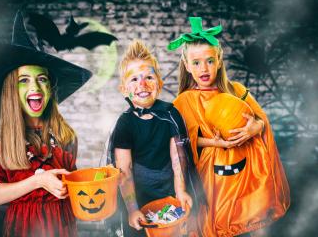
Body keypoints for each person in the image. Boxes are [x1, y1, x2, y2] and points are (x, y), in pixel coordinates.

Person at [169, 17, 290, 237]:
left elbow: (260, 119)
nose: (204, 68)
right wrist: (214, 142)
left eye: (209, 61)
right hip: (213, 180)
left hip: (246, 173)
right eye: (196, 63)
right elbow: (180, 141)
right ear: (186, 65)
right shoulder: (184, 102)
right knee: (214, 226)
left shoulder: (236, 90)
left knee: (256, 221)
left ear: (219, 60)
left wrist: (256, 127)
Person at [0, 11, 92, 237]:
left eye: (42, 79)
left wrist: (90, 183)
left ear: (50, 88)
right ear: (12, 90)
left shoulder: (65, 135)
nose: (35, 88)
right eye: (24, 80)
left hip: (62, 228)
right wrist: (38, 181)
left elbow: (70, 188)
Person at [108, 40, 195, 237]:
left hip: (170, 191)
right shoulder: (125, 123)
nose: (142, 84)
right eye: (134, 79)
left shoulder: (170, 114)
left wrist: (180, 191)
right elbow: (125, 170)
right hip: (139, 195)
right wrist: (132, 209)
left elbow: (178, 159)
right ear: (123, 89)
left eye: (149, 77)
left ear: (160, 84)